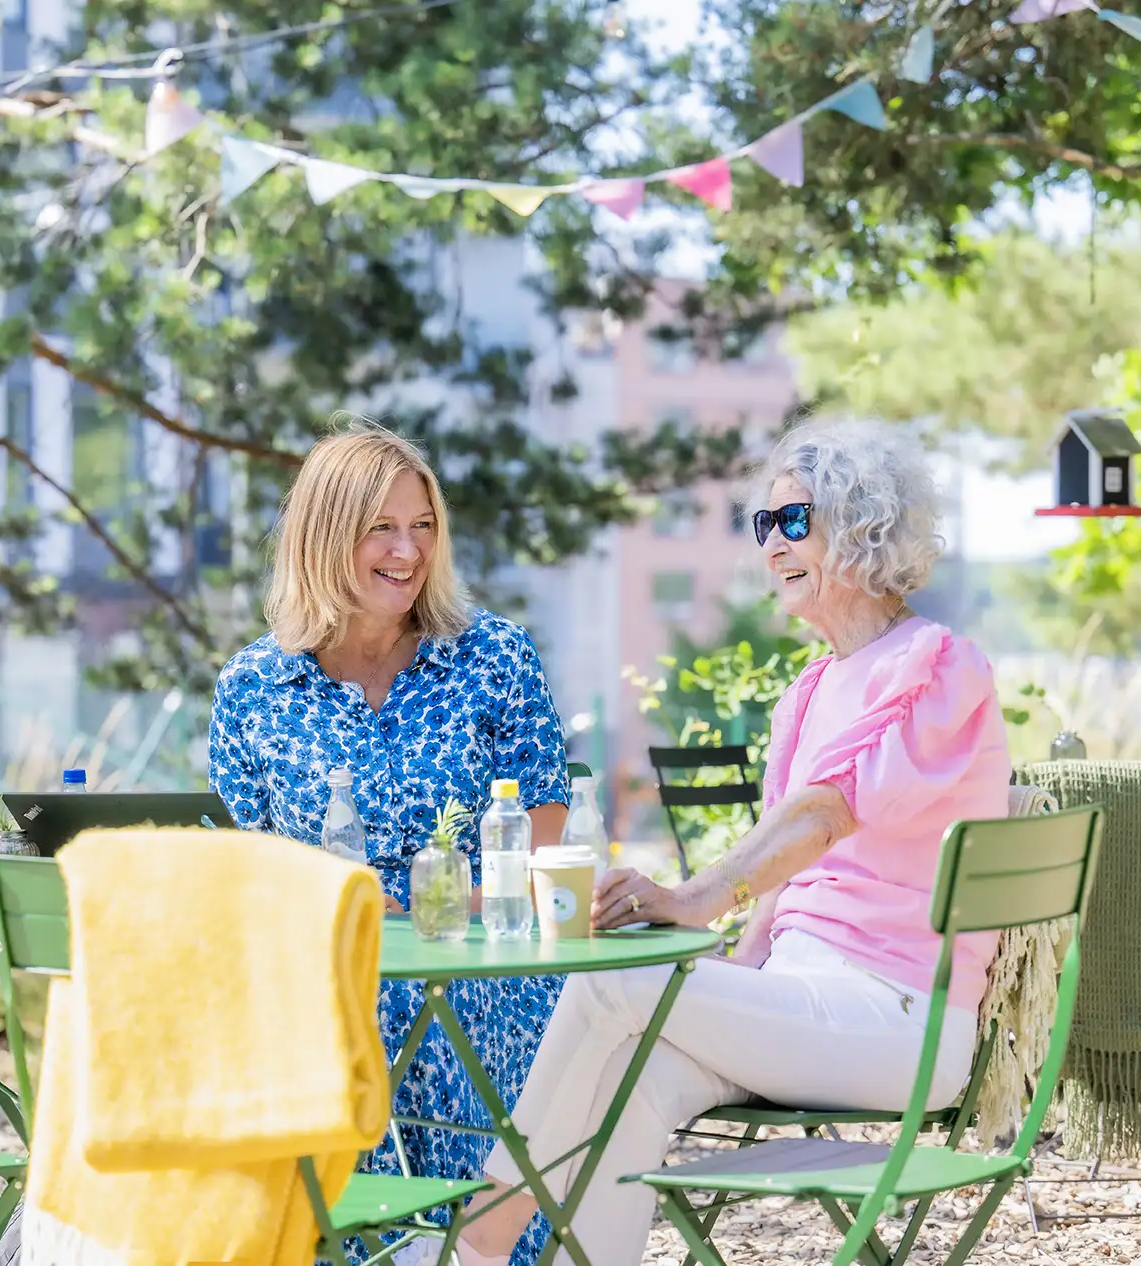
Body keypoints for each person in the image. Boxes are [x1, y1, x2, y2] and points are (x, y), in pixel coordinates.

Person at [457, 420, 1012, 1266]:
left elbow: (821, 816)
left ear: (863, 525)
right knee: (628, 1077)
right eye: (764, 525)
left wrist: (691, 899)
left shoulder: (935, 666)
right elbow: (790, 889)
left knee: (613, 992)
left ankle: (479, 1240)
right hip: (802, 1003)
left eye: (795, 521)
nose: (773, 544)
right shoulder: (811, 689)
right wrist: (714, 957)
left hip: (899, 1019)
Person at [211, 421, 569, 1266]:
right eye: (380, 526)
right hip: (324, 971)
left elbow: (543, 830)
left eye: (422, 526)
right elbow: (249, 869)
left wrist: (451, 909)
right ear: (324, 535)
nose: (405, 551)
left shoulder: (491, 655)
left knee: (422, 1016)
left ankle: (455, 1248)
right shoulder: (255, 685)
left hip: (481, 960)